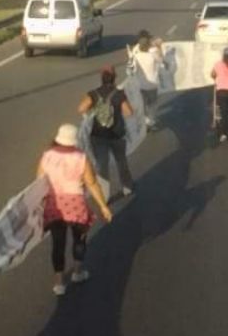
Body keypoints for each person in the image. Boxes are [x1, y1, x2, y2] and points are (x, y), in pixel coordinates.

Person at [38, 123, 112, 296]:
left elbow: (40, 181)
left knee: (58, 243)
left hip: (54, 204)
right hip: (76, 204)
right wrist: (103, 206)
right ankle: (77, 272)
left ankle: (58, 283)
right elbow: (92, 183)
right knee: (79, 239)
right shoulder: (81, 158)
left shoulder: (47, 156)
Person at [78, 65, 135, 197]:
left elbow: (81, 109)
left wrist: (95, 111)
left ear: (101, 78)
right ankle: (127, 187)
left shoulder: (93, 94)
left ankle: (104, 194)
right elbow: (128, 112)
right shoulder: (119, 94)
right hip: (117, 135)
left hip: (98, 136)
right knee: (121, 162)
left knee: (102, 167)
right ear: (114, 78)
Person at [127, 29, 164, 129]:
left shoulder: (136, 54)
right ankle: (150, 122)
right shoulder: (153, 53)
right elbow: (161, 60)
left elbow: (131, 69)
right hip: (152, 85)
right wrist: (159, 47)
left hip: (141, 86)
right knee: (152, 105)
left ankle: (145, 122)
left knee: (142, 105)